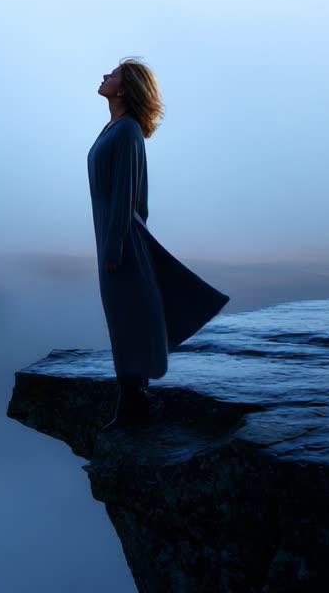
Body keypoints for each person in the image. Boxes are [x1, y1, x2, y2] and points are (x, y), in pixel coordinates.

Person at [88, 57, 231, 432]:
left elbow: (129, 196)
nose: (105, 76)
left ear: (124, 88)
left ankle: (134, 404)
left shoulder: (127, 131)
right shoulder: (114, 128)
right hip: (115, 239)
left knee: (127, 319)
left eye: (113, 74)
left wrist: (117, 246)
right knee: (122, 318)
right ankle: (133, 400)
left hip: (120, 242)